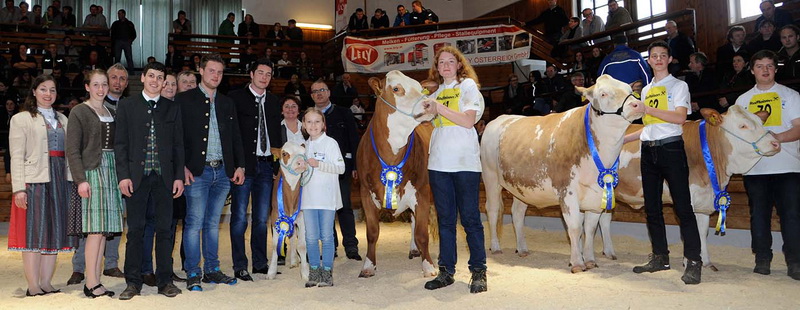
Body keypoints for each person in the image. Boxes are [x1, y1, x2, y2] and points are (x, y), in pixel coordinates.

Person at [623, 41, 702, 285]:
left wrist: (647, 108)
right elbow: (649, 127)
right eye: (653, 56)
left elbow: (679, 118)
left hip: (671, 148)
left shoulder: (679, 85)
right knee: (653, 207)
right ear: (648, 61)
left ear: (669, 60)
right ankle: (660, 256)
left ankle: (693, 261)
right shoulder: (646, 90)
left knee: (683, 207)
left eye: (662, 55)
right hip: (649, 149)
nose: (657, 59)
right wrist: (623, 139)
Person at [115, 61, 185, 300]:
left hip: (165, 179)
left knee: (165, 230)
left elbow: (178, 146)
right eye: (151, 76)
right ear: (143, 78)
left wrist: (178, 177)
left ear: (165, 82)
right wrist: (123, 175)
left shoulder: (171, 108)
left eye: (160, 77)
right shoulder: (127, 106)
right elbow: (121, 144)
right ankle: (133, 282)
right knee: (135, 230)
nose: (155, 81)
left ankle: (165, 280)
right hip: (136, 178)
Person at [175, 54, 245, 291]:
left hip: (223, 172)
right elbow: (177, 138)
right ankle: (193, 271)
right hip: (196, 173)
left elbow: (236, 136)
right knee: (194, 223)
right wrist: (181, 166)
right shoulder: (183, 100)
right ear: (201, 72)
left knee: (213, 223)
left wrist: (239, 165)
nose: (216, 75)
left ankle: (212, 270)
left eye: (220, 72)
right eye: (211, 71)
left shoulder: (227, 102)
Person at [421, 46, 487, 293]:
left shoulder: (468, 86)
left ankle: (479, 270)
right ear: (436, 68)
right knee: (445, 220)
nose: (446, 65)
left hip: (464, 164)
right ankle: (446, 271)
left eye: (451, 61)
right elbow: (423, 118)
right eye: (441, 62)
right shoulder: (436, 91)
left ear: (459, 65)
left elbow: (468, 120)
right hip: (438, 163)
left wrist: (438, 108)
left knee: (470, 218)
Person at [734, 49, 800, 281]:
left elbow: (798, 128)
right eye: (760, 66)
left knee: (791, 215)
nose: (765, 70)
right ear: (752, 70)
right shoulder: (742, 102)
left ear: (775, 69)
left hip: (788, 166)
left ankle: (795, 261)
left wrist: (777, 139)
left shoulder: (790, 96)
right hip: (756, 168)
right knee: (758, 215)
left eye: (769, 66)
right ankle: (762, 258)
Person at [8, 75, 74, 297]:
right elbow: (16, 156)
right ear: (34, 92)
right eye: (43, 89)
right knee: (34, 232)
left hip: (59, 179)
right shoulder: (21, 119)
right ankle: (33, 285)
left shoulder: (64, 120)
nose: (48, 94)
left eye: (52, 90)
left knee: (54, 230)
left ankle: (46, 282)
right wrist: (19, 188)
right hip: (34, 179)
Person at [65, 69, 124, 298]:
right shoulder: (79, 111)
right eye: (96, 85)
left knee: (103, 231)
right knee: (94, 231)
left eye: (104, 85)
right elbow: (72, 150)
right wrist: (80, 180)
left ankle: (95, 280)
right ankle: (90, 282)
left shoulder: (110, 111)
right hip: (92, 172)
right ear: (87, 87)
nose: (101, 89)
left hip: (110, 171)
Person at [227, 58, 282, 281]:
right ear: (251, 74)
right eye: (260, 72)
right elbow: (232, 135)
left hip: (267, 165)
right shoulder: (235, 98)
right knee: (239, 217)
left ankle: (260, 263)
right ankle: (240, 265)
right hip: (244, 166)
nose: (264, 77)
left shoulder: (274, 101)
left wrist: (277, 163)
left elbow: (277, 136)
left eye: (268, 74)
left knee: (261, 218)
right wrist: (235, 165)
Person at [309, 80, 361, 260]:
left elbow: (354, 139)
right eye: (315, 91)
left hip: (341, 169)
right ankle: (332, 245)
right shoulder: (309, 116)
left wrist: (354, 165)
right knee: (325, 207)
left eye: (322, 90)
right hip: (317, 172)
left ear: (329, 92)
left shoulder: (344, 112)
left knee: (345, 206)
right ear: (311, 96)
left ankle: (351, 245)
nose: (319, 94)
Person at [299, 107, 344, 287]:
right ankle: (314, 271)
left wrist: (319, 164)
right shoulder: (303, 146)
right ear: (304, 125)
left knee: (326, 236)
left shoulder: (331, 144)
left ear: (323, 124)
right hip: (308, 199)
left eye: (317, 121)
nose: (313, 125)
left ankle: (327, 272)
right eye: (309, 121)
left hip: (327, 199)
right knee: (310, 237)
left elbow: (341, 168)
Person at [685, 52, 719, 117]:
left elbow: (713, 94)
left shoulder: (711, 75)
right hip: (692, 108)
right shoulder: (689, 76)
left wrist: (699, 104)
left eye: (692, 63)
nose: (689, 65)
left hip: (707, 107)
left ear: (699, 64)